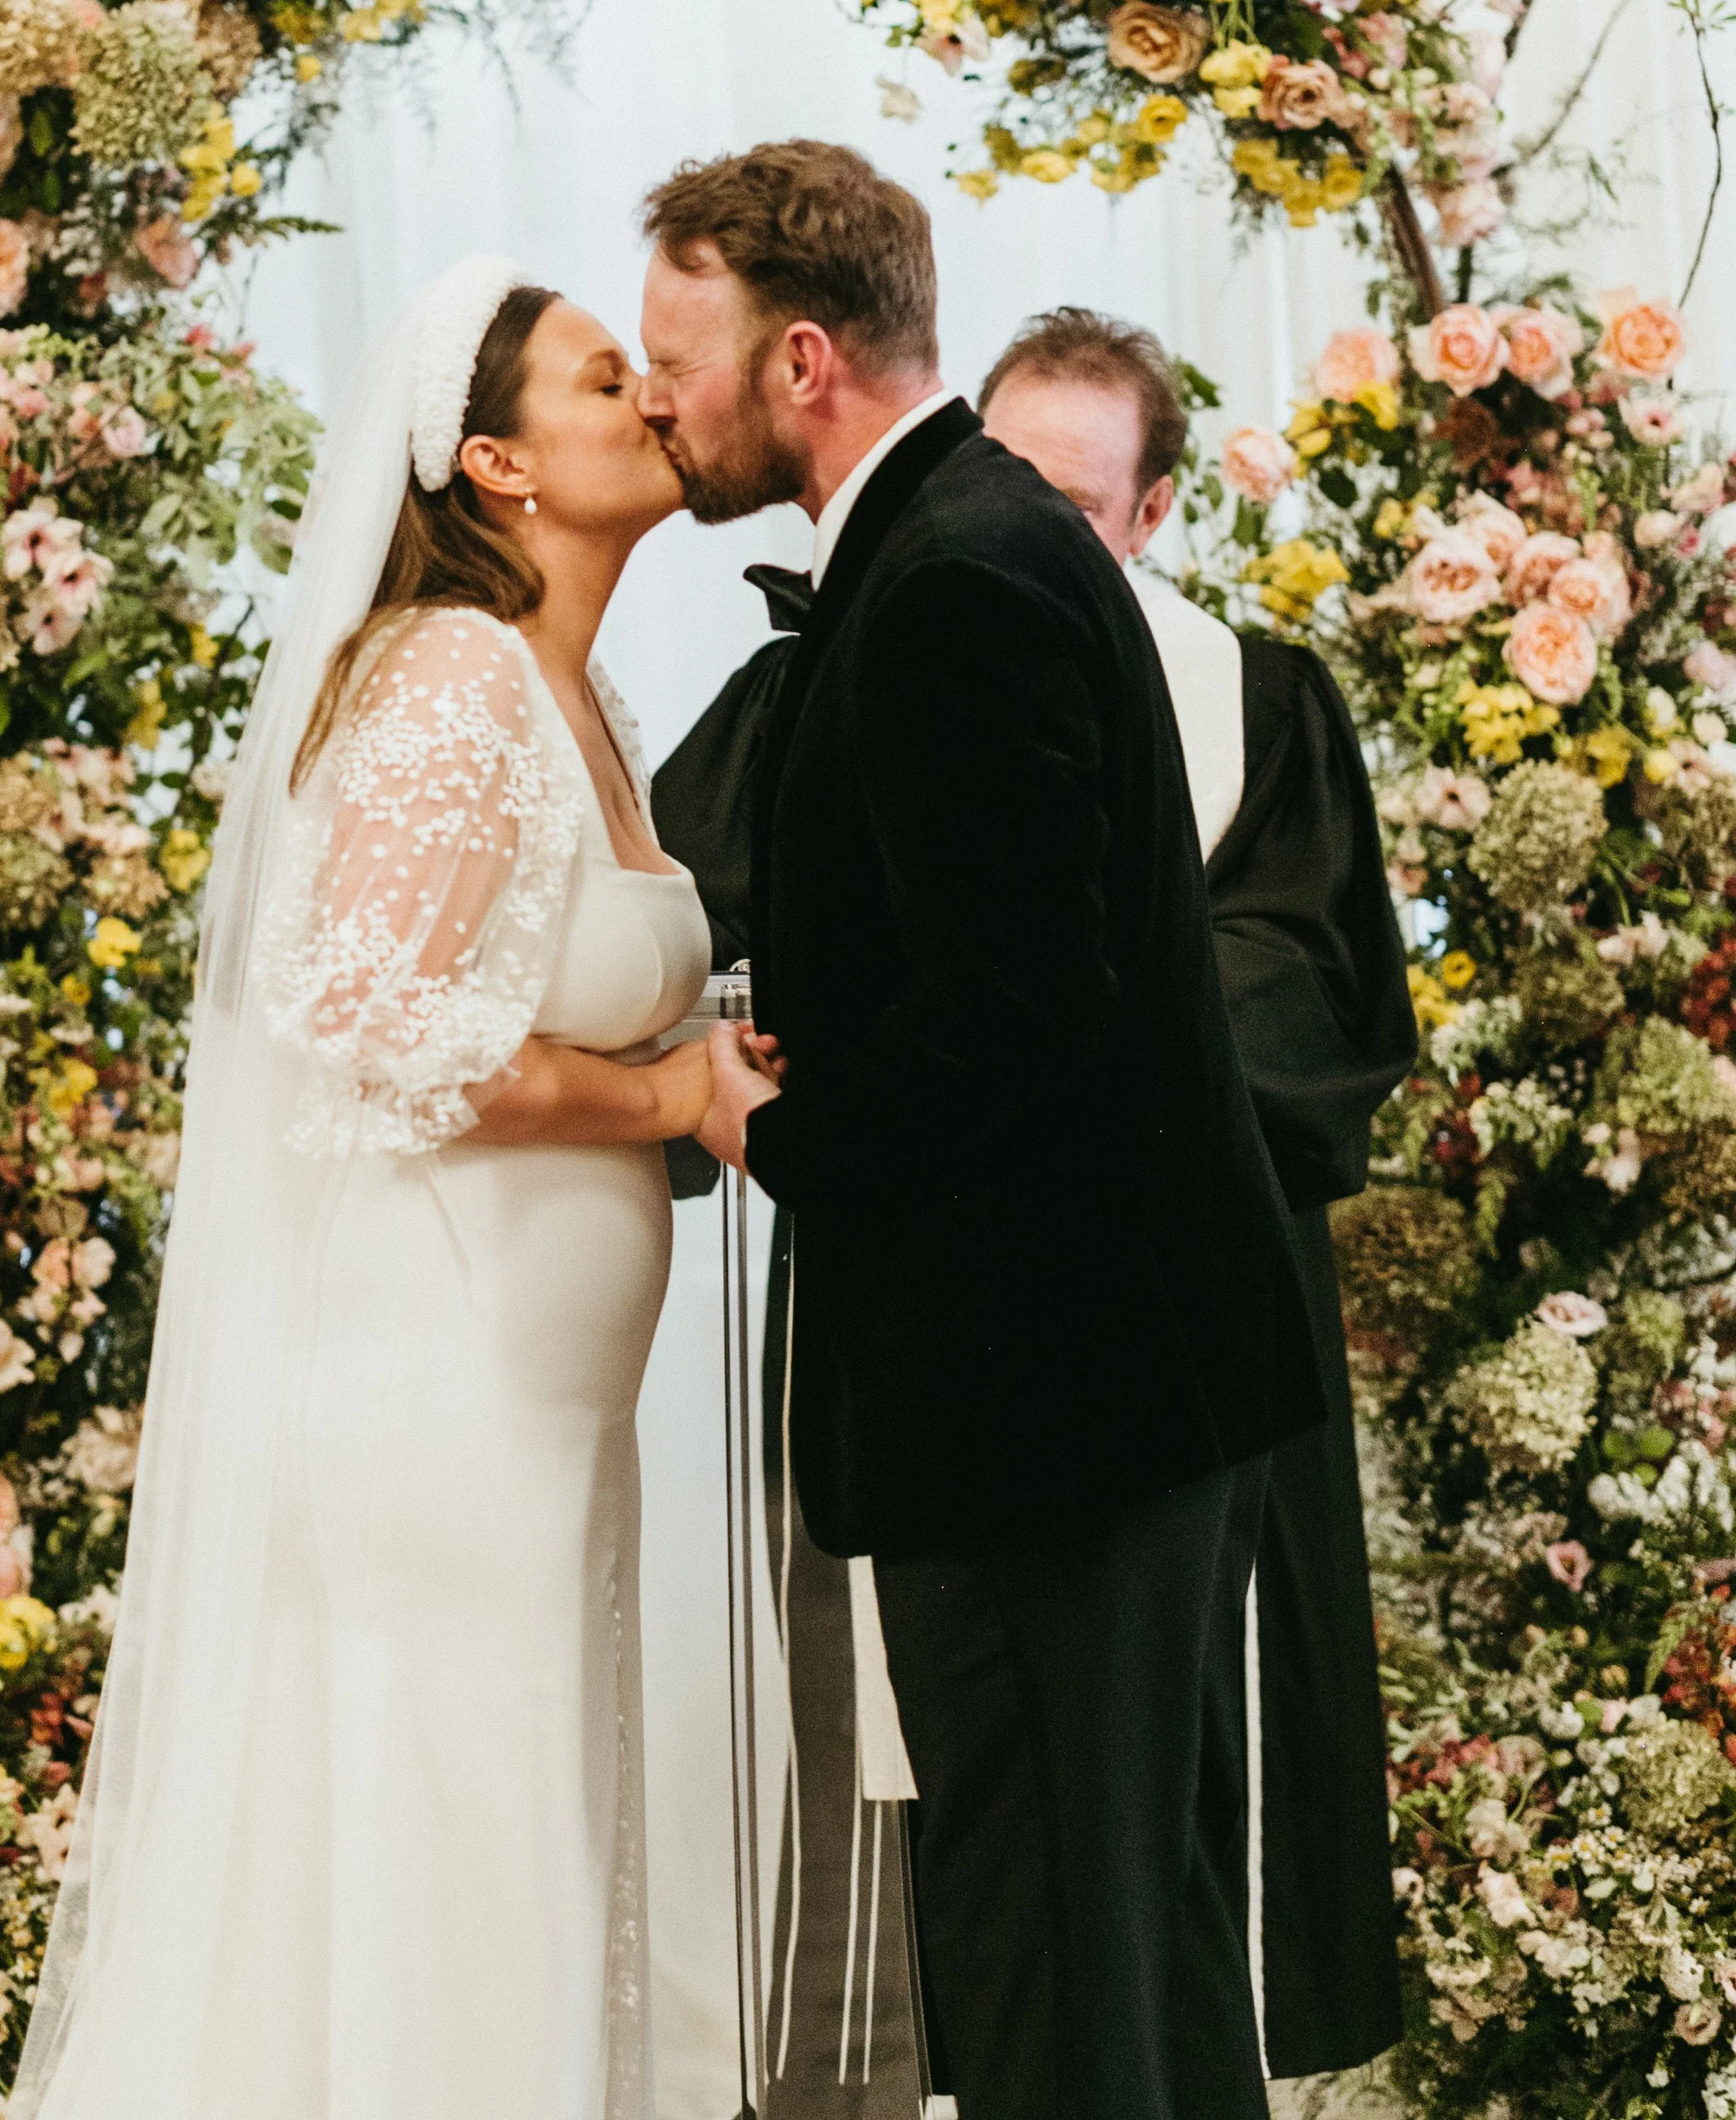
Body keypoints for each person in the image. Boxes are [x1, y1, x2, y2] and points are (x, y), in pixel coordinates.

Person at [8, 254, 773, 2120]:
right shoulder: (451, 679)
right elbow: (366, 1030)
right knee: (449, 1851)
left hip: (534, 1406)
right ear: (496, 468)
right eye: (607, 383)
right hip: (430, 1391)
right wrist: (665, 1091)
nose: (656, 402)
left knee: (505, 1835)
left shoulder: (572, 698)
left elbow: (525, 968)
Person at [637, 142, 1323, 2120]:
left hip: (1055, 1413)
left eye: (677, 358)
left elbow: (1019, 1013)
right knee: (1134, 1952)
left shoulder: (949, 582)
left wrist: (783, 1132)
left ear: (793, 359)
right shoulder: (977, 537)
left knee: (1050, 1958)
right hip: (1108, 1394)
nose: (661, 403)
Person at [979, 304, 1416, 2085]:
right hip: (968, 1305)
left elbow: (1310, 988)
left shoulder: (1255, 701)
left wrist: (1072, 1073)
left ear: (1152, 515)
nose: (1023, 530)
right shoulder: (876, 657)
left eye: (1070, 503)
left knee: (1197, 1748)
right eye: (1000, 481)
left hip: (1202, 1283)